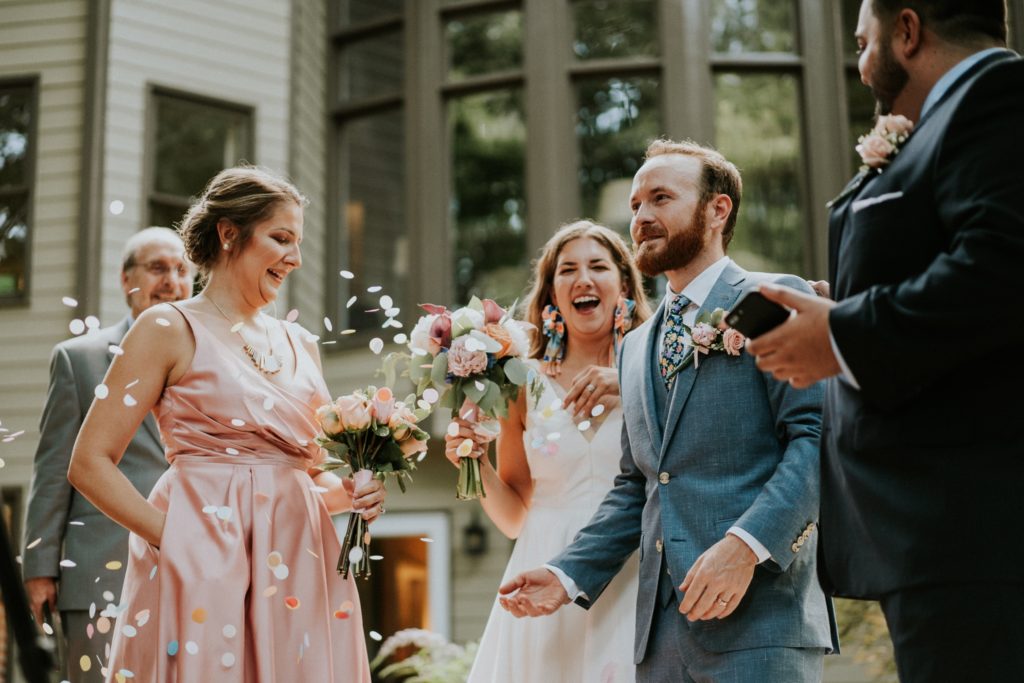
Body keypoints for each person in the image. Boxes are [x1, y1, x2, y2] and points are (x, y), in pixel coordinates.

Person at [746, 2, 1024, 680]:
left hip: (977, 530)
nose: (860, 60)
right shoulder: (948, 120)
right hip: (942, 538)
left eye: (864, 41)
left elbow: (1000, 269)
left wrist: (839, 335)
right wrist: (836, 311)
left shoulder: (997, 99)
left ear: (908, 30)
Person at [497, 140, 837, 682]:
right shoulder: (635, 347)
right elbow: (639, 485)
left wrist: (746, 549)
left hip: (759, 625)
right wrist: (566, 575)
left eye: (660, 199)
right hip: (660, 643)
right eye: (634, 206)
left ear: (717, 210)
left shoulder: (772, 300)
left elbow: (816, 438)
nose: (642, 218)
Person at [67, 166, 386, 682]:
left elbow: (307, 474)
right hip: (199, 553)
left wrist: (353, 491)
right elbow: (88, 462)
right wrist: (174, 539)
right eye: (281, 238)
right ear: (229, 233)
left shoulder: (301, 345)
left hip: (298, 558)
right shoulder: (167, 326)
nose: (295, 258)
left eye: (298, 242)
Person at [445, 220, 652, 682]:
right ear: (552, 294)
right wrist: (473, 463)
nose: (583, 279)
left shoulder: (654, 370)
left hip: (636, 565)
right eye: (567, 270)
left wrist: (633, 387)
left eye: (598, 266)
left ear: (623, 284)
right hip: (544, 562)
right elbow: (515, 514)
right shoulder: (523, 381)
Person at [21, 227, 192, 682]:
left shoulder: (203, 365)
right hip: (100, 572)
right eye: (158, 268)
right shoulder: (80, 359)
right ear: (126, 279)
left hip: (188, 570)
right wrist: (40, 568)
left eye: (181, 270)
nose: (172, 281)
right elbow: (54, 468)